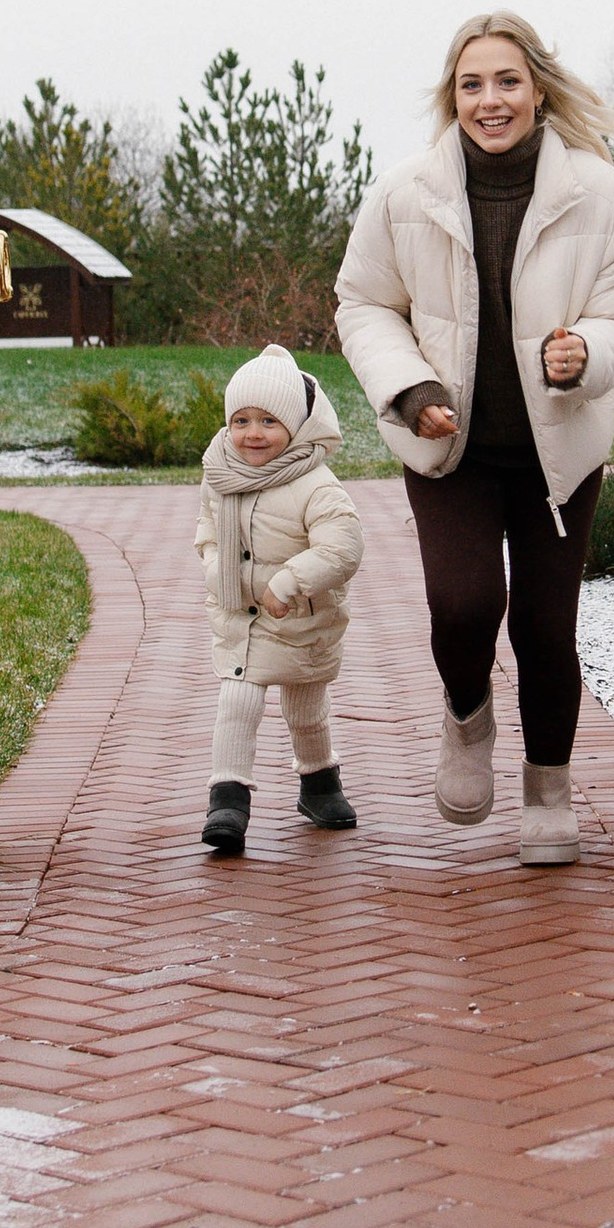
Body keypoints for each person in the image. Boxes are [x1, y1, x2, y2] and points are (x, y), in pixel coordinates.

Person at [336, 13, 614, 868]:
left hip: (561, 454)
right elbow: (361, 303)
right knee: (465, 605)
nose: (491, 100)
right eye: (472, 84)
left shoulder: (600, 194)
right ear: (453, 98)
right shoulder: (405, 195)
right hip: (451, 449)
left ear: (538, 89)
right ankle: (467, 712)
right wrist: (412, 389)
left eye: (507, 81)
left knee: (549, 630)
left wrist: (586, 352)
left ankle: (549, 788)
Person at [193, 343, 367, 859]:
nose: (252, 433)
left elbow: (343, 546)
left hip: (299, 619)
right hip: (237, 614)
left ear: (296, 426)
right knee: (237, 701)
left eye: (269, 421)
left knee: (306, 707)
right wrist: (213, 567)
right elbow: (207, 529)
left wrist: (290, 583)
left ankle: (320, 784)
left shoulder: (315, 483)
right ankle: (227, 799)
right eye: (241, 420)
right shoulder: (220, 473)